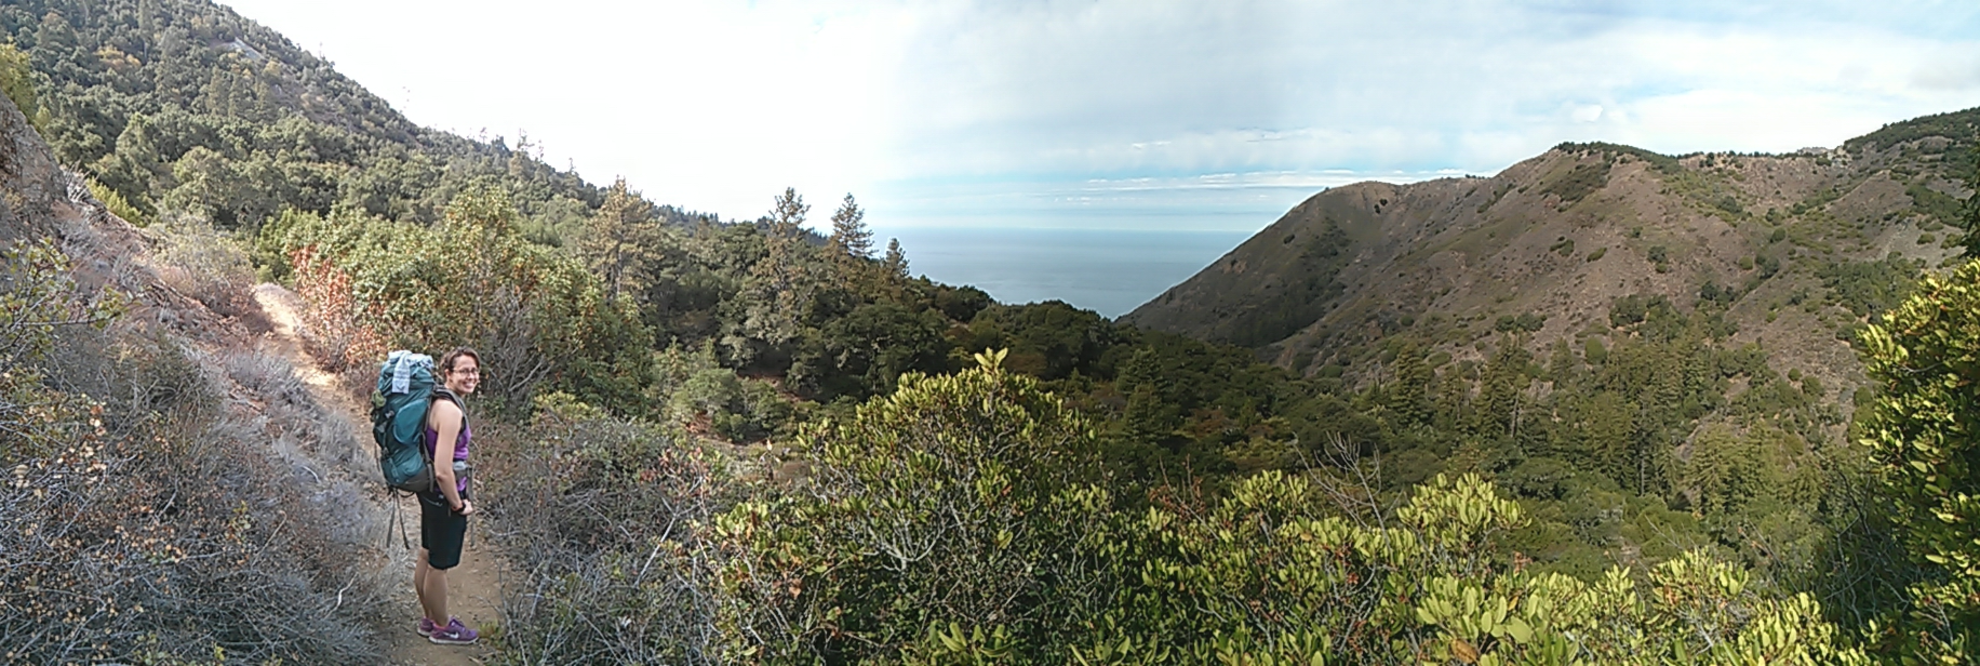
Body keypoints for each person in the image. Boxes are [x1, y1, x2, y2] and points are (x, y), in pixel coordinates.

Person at [414, 347, 481, 645]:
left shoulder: (435, 400)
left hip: (428, 491)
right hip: (444, 494)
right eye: (464, 371)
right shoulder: (451, 412)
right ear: (448, 374)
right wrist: (458, 504)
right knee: (439, 565)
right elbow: (443, 470)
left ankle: (429, 619)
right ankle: (443, 627)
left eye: (475, 371)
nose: (471, 376)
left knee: (427, 553)